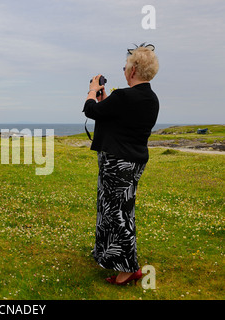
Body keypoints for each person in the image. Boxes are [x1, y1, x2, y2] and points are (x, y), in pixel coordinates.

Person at [82, 43, 159, 285]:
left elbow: (91, 111)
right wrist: (106, 98)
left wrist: (93, 91)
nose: (124, 70)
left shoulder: (124, 96)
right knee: (122, 211)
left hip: (117, 163)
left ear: (133, 70)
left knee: (114, 213)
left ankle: (127, 270)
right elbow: (117, 119)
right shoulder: (150, 98)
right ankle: (109, 256)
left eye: (125, 66)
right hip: (134, 162)